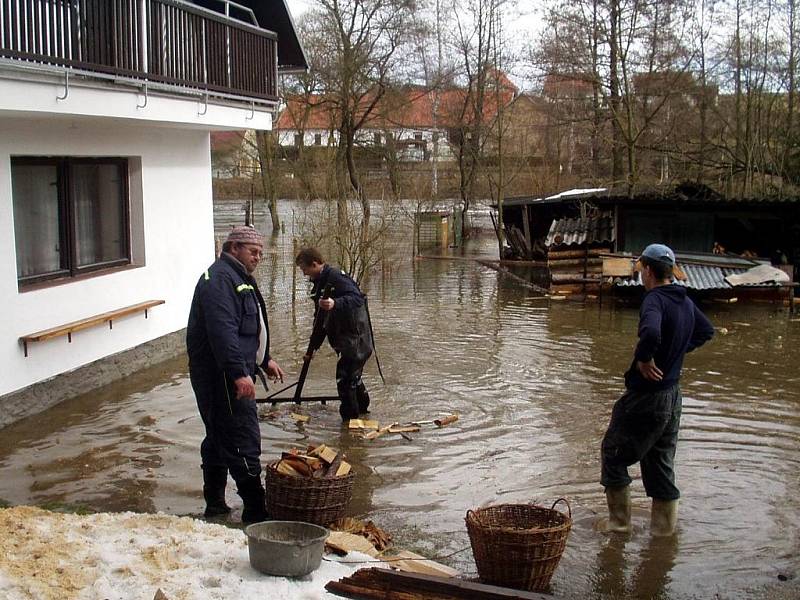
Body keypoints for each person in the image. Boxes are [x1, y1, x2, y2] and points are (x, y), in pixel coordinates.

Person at [600, 243, 714, 536]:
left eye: (641, 270)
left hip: (647, 397)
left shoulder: (654, 300)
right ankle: (663, 534)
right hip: (672, 396)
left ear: (648, 271)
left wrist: (645, 358)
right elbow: (705, 332)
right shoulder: (685, 301)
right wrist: (675, 353)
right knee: (660, 463)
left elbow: (651, 332)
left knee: (613, 455)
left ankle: (619, 527)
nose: (640, 275)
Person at [187, 225, 285, 523]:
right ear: (233, 248)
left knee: (218, 436)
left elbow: (247, 327)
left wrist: (263, 359)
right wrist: (238, 374)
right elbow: (222, 331)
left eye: (260, 254)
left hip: (233, 371)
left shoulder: (237, 277)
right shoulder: (218, 280)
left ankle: (215, 505)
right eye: (253, 252)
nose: (258, 258)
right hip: (222, 378)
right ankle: (256, 511)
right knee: (242, 436)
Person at [294, 247, 374, 421]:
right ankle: (363, 412)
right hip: (347, 341)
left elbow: (357, 298)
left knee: (344, 379)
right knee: (353, 378)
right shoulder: (319, 283)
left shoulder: (336, 277)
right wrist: (312, 348)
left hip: (357, 340)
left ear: (314, 264)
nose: (304, 274)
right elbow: (320, 320)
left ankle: (350, 425)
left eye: (304, 269)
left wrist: (335, 303)